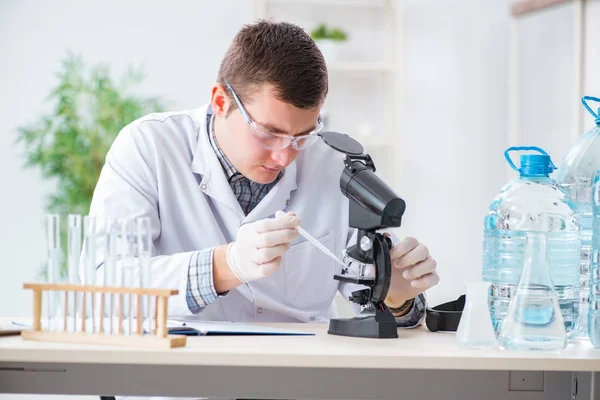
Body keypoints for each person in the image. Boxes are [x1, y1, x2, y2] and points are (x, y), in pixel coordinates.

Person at [90, 19, 438, 384]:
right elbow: (104, 286)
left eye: (303, 134)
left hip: (296, 383)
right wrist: (225, 266)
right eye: (269, 133)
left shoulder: (334, 164)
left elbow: (373, 308)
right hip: (180, 381)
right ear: (221, 101)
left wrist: (395, 295)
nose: (285, 156)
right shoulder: (148, 147)